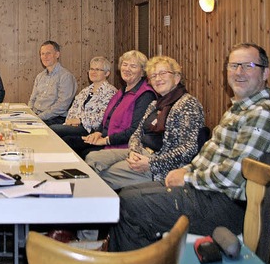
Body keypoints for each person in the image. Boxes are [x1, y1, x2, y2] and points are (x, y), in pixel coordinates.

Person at [108, 43, 270, 252]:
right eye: (234, 65)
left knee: (129, 205)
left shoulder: (263, 113)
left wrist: (187, 178)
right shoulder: (238, 109)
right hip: (204, 191)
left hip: (226, 205)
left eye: (248, 65)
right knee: (127, 194)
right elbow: (207, 155)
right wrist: (186, 171)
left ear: (265, 73)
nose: (239, 72)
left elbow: (233, 176)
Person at [85, 56, 204, 190]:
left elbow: (188, 149)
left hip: (160, 166)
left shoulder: (188, 104)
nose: (158, 79)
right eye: (153, 76)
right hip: (140, 152)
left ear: (176, 78)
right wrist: (134, 151)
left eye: (163, 73)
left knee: (105, 175)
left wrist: (152, 163)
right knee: (93, 158)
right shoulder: (154, 104)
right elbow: (137, 134)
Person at [64, 50, 156, 159]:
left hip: (121, 145)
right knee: (67, 142)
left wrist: (106, 140)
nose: (127, 69)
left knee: (83, 152)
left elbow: (135, 131)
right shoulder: (122, 91)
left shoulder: (145, 95)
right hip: (106, 138)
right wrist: (98, 133)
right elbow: (106, 119)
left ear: (142, 71)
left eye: (133, 66)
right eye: (125, 64)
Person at [49, 56, 117, 139]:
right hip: (76, 127)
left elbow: (103, 117)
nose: (93, 72)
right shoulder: (85, 91)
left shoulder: (110, 92)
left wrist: (80, 121)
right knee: (53, 131)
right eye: (91, 69)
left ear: (107, 73)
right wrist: (71, 121)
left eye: (98, 69)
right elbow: (73, 109)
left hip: (92, 130)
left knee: (53, 130)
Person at [28, 40, 77, 125]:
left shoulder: (66, 77)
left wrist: (39, 117)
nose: (45, 57)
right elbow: (32, 99)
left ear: (57, 55)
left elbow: (61, 106)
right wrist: (29, 113)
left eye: (48, 53)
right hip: (37, 116)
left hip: (54, 119)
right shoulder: (40, 76)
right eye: (42, 54)